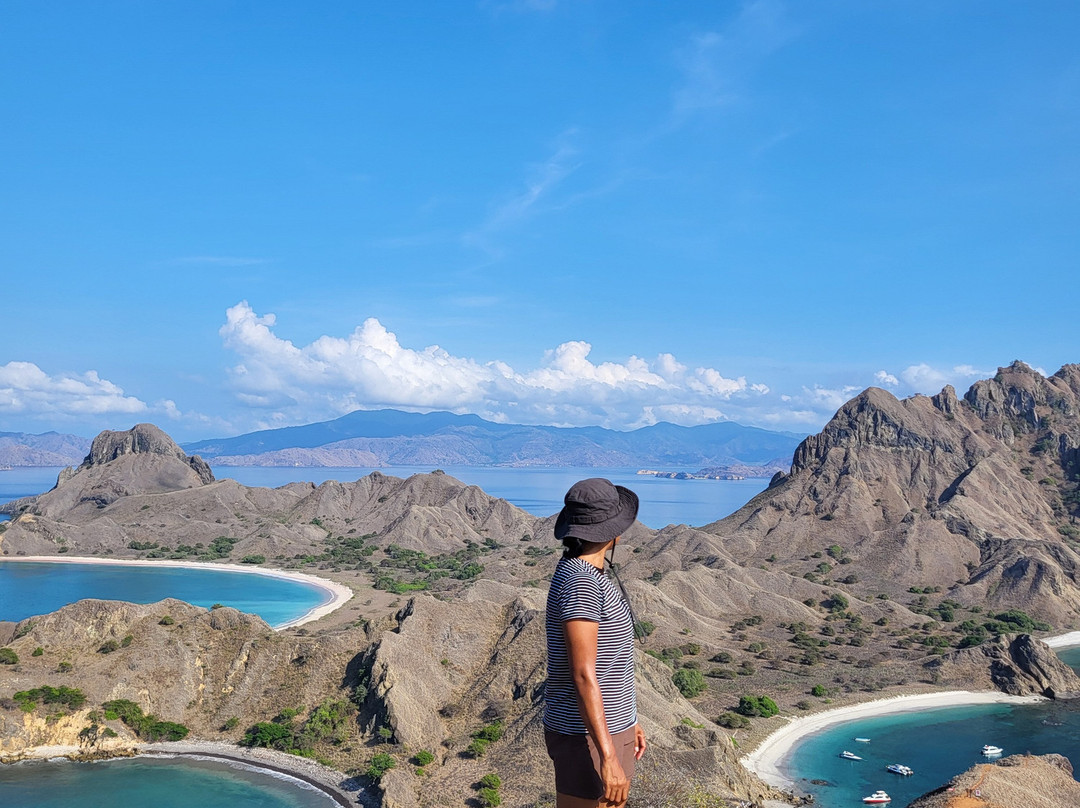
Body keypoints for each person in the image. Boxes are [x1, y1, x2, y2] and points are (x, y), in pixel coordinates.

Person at [544, 478, 647, 808]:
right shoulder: (582, 585)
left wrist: (629, 721)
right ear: (612, 532)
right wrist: (608, 756)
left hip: (606, 730)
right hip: (585, 737)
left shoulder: (585, 574)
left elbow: (610, 664)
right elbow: (584, 675)